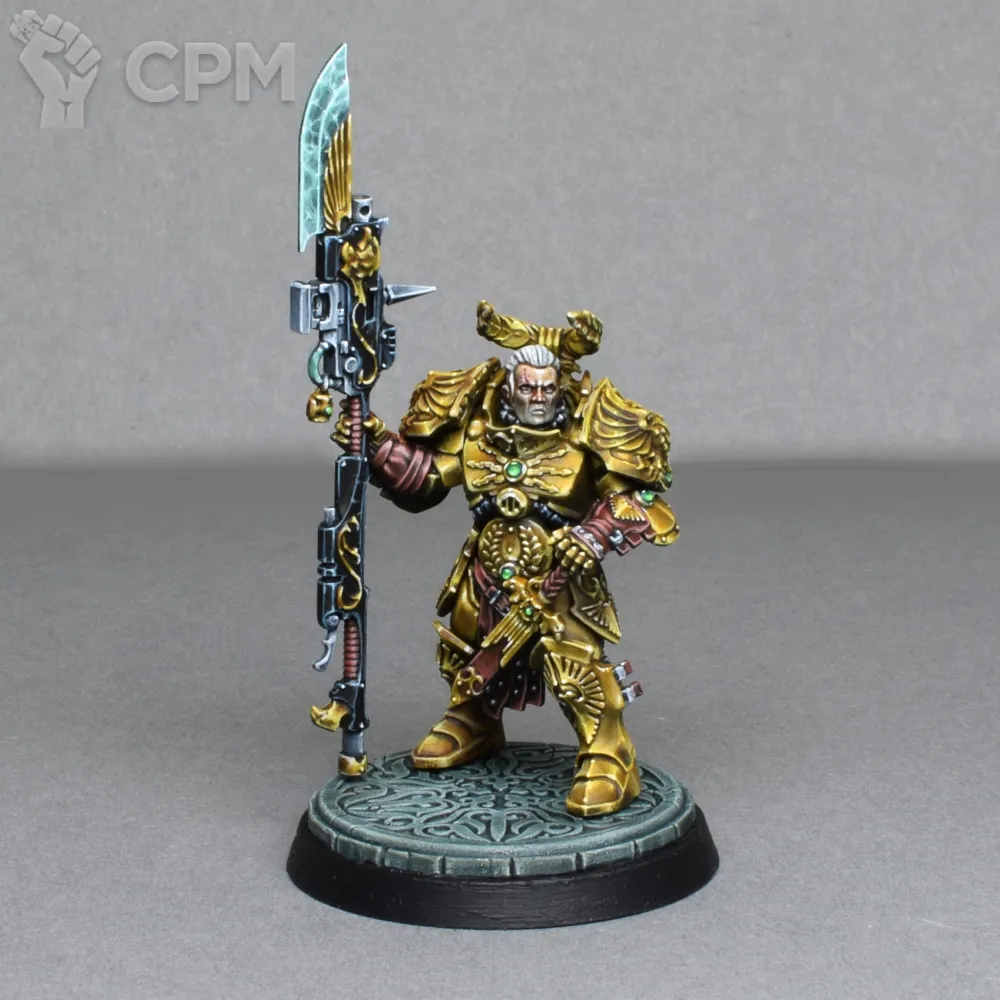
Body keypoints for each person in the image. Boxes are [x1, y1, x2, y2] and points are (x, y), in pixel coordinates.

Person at [326, 300, 678, 817]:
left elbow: (643, 499)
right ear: (509, 387)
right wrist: (377, 445)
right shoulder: (478, 431)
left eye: (547, 389)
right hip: (485, 568)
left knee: (573, 665)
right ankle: (473, 720)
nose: (537, 397)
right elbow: (427, 478)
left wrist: (596, 532)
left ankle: (609, 754)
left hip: (560, 578)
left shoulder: (587, 432)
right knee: (468, 643)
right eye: (527, 388)